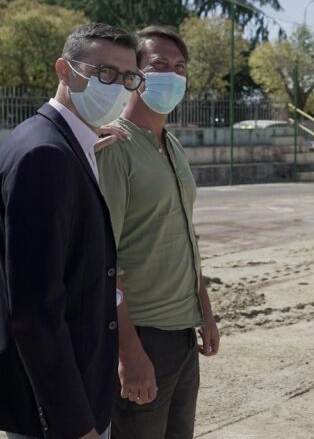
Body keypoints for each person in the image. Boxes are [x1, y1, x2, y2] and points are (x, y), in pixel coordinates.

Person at [0, 23, 141, 439]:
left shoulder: (61, 143)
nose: (117, 86)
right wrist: (75, 425)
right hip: (54, 415)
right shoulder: (46, 155)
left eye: (128, 77)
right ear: (64, 70)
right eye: (104, 73)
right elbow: (34, 311)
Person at [97, 25, 219, 439]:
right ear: (135, 75)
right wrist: (127, 351)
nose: (173, 75)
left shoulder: (173, 146)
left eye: (180, 67)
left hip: (182, 337)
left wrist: (204, 309)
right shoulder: (114, 148)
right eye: (160, 65)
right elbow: (104, 259)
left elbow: (186, 233)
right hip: (143, 337)